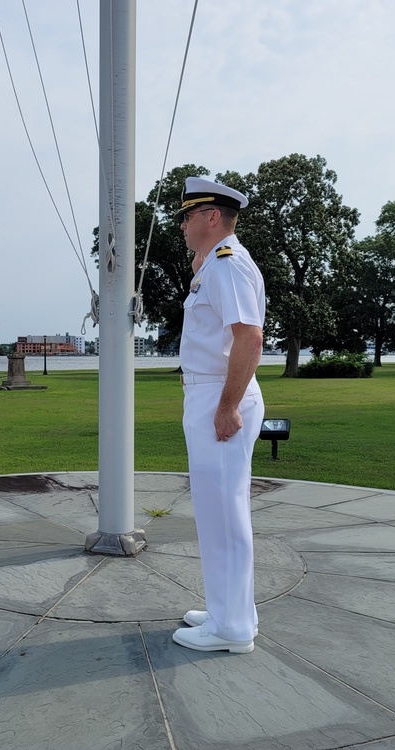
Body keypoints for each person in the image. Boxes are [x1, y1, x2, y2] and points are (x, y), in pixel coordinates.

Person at [171, 177, 266, 654]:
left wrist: (227, 406)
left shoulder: (226, 266)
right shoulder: (215, 265)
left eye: (188, 215)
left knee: (223, 514)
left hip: (219, 398)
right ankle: (230, 610)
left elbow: (249, 339)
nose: (183, 224)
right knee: (218, 511)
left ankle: (231, 630)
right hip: (212, 395)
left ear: (211, 217)